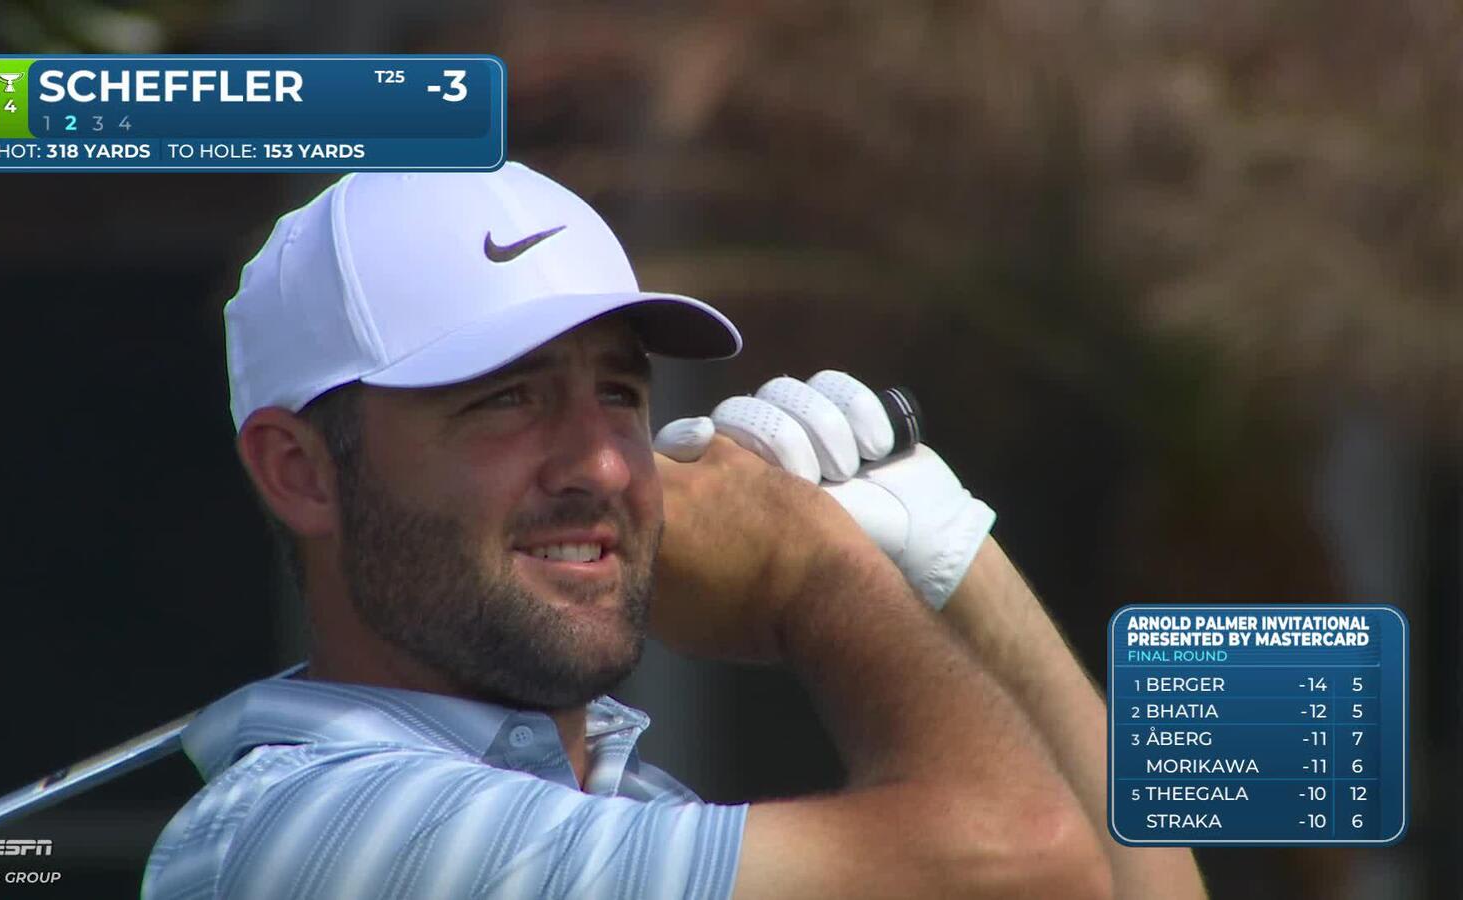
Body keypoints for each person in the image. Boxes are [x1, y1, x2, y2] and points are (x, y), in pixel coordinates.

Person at [141, 163, 1205, 898]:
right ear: (301, 471)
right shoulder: (314, 838)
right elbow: (1021, 865)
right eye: (506, 401)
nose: (605, 464)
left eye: (618, 395)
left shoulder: (639, 806)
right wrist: (810, 571)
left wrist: (959, 559)